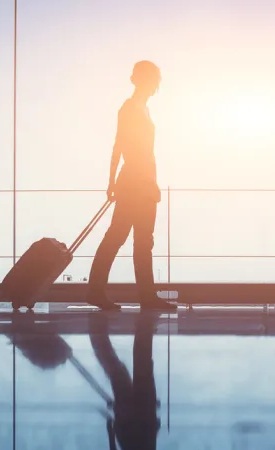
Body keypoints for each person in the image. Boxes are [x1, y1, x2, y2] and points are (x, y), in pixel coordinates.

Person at [87, 60, 176, 311]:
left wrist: (151, 181)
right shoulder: (129, 108)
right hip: (134, 183)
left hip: (145, 183)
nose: (154, 85)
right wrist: (111, 181)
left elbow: (148, 153)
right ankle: (97, 291)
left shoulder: (143, 109)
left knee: (141, 241)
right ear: (141, 80)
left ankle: (145, 296)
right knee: (118, 237)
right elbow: (119, 146)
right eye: (152, 79)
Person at [89, 312, 161, 450]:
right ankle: (99, 336)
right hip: (131, 428)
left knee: (136, 370)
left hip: (140, 424)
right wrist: (112, 430)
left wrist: (152, 427)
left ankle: (102, 335)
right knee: (119, 373)